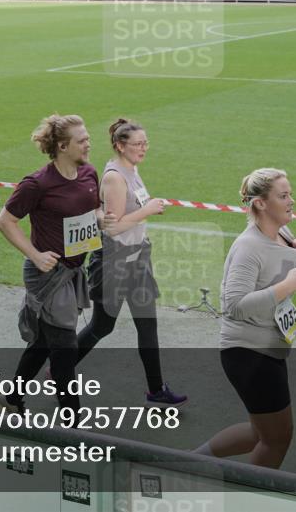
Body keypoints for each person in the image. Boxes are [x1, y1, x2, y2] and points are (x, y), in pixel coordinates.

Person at [194, 168, 296, 468]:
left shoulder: (282, 233)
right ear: (260, 203)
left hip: (267, 347)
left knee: (258, 432)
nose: (292, 201)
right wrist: (286, 286)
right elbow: (234, 305)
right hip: (249, 354)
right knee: (276, 438)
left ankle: (188, 462)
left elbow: (276, 254)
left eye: (290, 194)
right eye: (283, 196)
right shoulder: (248, 247)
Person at [0, 114, 101, 416]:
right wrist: (35, 255)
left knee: (43, 341)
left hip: (72, 273)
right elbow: (5, 221)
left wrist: (104, 219)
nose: (88, 143)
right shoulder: (37, 184)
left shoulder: (89, 173)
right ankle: (73, 422)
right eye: (82, 140)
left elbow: (93, 211)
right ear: (63, 146)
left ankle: (11, 400)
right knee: (64, 348)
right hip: (47, 274)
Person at [76, 118, 186, 407]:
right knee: (102, 327)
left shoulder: (131, 169)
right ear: (119, 146)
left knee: (148, 326)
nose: (144, 148)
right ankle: (60, 366)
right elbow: (112, 228)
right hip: (115, 261)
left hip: (138, 258)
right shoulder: (115, 177)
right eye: (138, 144)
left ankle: (156, 390)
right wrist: (147, 210)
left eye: (145, 142)